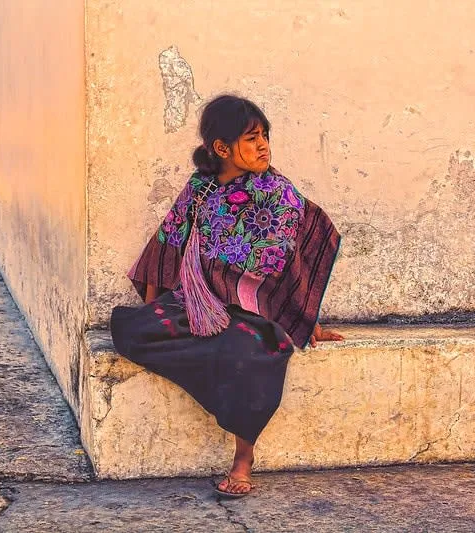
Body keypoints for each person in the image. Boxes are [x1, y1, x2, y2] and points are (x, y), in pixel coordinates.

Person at [110, 94, 343, 498]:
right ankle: (211, 381)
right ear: (222, 148)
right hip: (202, 305)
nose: (264, 146)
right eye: (252, 139)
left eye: (265, 136)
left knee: (245, 356)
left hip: (257, 311)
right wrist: (153, 308)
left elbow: (293, 256)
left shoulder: (277, 192)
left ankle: (242, 459)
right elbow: (167, 244)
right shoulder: (199, 188)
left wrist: (304, 318)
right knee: (132, 331)